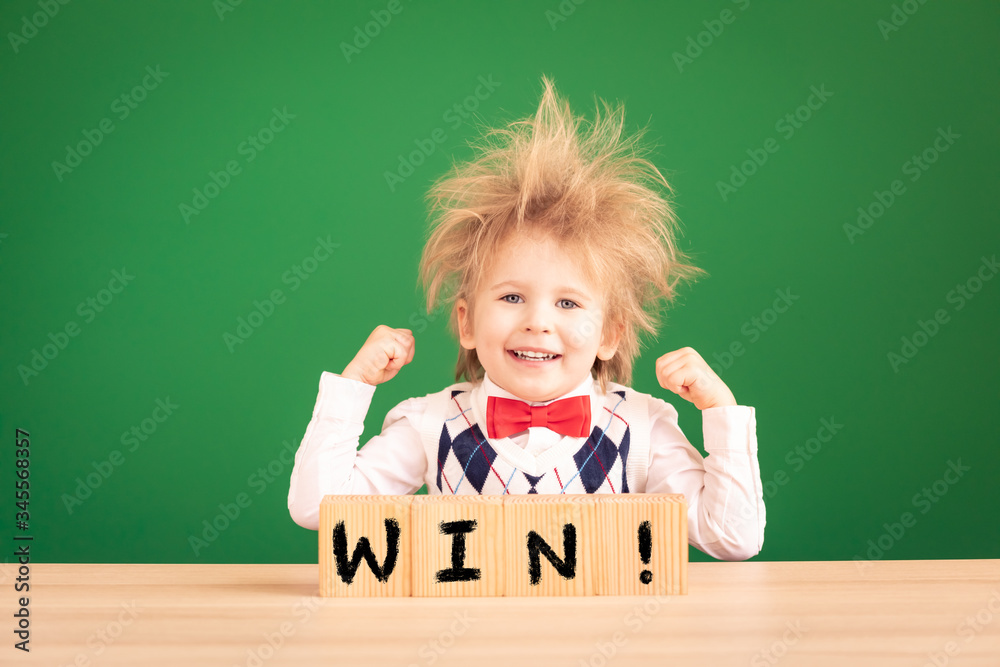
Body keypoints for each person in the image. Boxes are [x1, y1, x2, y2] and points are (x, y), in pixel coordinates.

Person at [288, 75, 765, 561]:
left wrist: (720, 413)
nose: (538, 322)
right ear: (467, 322)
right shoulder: (430, 425)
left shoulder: (641, 428)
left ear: (610, 334)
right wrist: (353, 387)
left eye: (568, 303)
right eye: (512, 297)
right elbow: (319, 510)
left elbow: (733, 539)